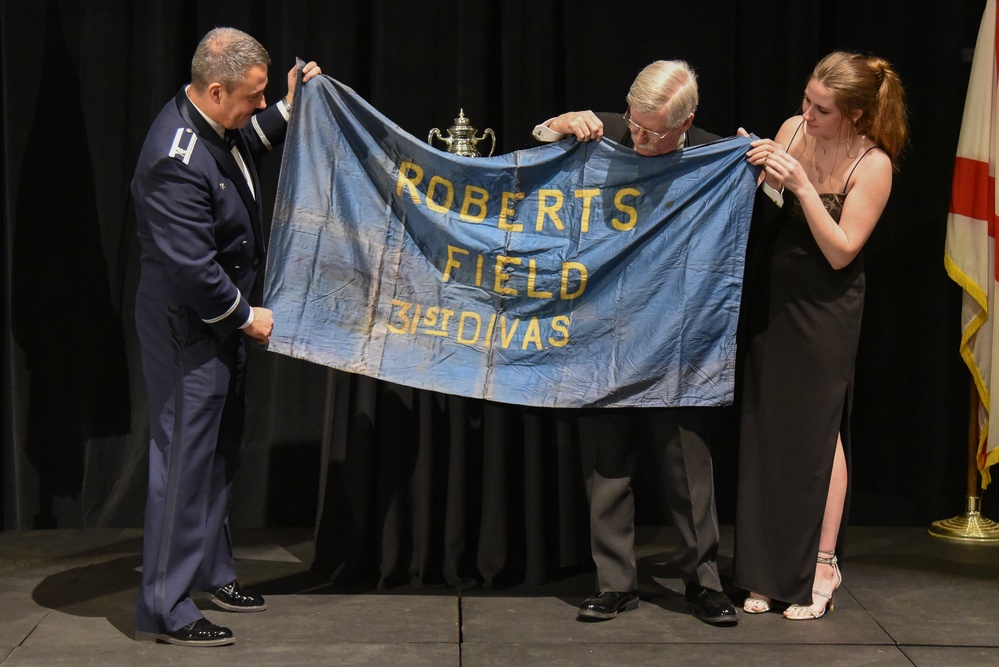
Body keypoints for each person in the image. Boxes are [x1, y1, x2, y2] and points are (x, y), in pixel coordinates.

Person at [131, 27, 321, 646]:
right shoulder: (173, 157)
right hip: (190, 326)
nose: (259, 107)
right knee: (185, 461)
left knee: (217, 451)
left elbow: (243, 145)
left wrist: (290, 106)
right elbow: (191, 270)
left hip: (216, 324)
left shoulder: (214, 124)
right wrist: (247, 317)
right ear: (216, 91)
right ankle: (168, 605)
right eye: (254, 96)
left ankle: (211, 570)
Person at [533, 60, 738, 626]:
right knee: (607, 464)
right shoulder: (605, 131)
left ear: (687, 121)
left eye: (654, 131)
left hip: (678, 340)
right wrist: (560, 123)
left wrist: (762, 167)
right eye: (635, 124)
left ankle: (704, 583)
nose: (640, 138)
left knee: (687, 470)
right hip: (603, 334)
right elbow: (541, 137)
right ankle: (615, 583)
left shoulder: (712, 157)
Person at [734, 51, 908, 620]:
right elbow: (771, 206)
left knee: (819, 429)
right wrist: (754, 167)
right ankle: (765, 567)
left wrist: (803, 184)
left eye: (822, 109)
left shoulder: (872, 163)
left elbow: (840, 251)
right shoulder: (792, 128)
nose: (806, 115)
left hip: (827, 307)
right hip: (776, 295)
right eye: (806, 101)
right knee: (769, 426)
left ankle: (824, 563)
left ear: (855, 114)